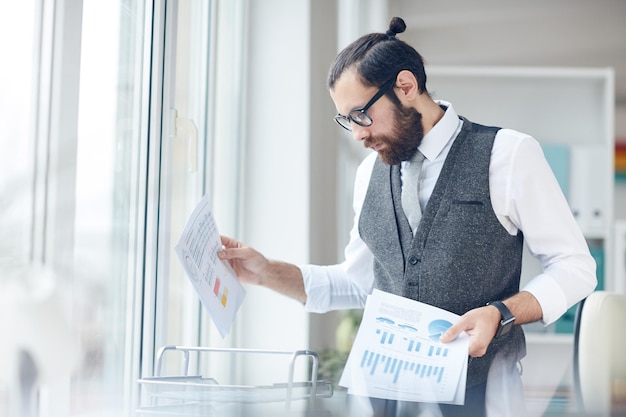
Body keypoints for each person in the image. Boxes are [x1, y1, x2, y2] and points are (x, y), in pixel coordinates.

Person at [218, 17, 597, 417]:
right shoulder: (369, 174)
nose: (357, 135)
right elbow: (361, 282)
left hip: (481, 397)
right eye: (346, 120)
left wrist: (501, 314)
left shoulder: (509, 154)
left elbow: (575, 267)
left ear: (406, 86)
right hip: (382, 397)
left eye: (361, 114)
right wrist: (264, 272)